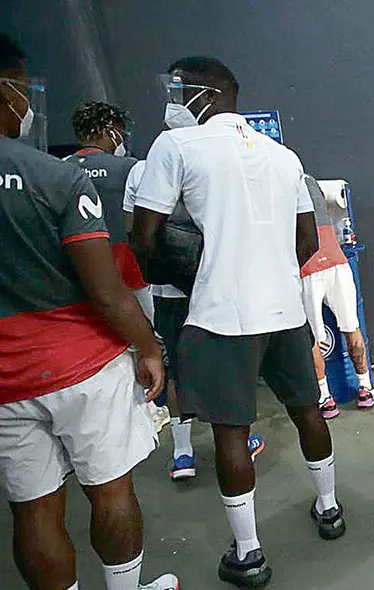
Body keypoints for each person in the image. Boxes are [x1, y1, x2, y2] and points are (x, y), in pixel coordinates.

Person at [131, 56, 344, 588]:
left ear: (206, 94)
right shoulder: (282, 155)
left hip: (221, 314)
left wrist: (192, 277)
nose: (173, 101)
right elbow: (306, 242)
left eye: (178, 90)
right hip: (284, 310)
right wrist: (267, 273)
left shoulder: (175, 146)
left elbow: (145, 238)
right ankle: (330, 507)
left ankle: (248, 555)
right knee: (306, 409)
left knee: (232, 430)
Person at [0, 33, 178, 590]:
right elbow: (105, 291)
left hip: (6, 380)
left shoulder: (64, 167)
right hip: (82, 363)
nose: (27, 104)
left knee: (33, 509)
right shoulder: (53, 176)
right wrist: (148, 347)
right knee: (111, 488)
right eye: (24, 91)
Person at [123, 161, 266, 480]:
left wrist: (157, 273)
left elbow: (135, 233)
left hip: (168, 294)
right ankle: (237, 446)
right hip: (214, 287)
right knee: (230, 367)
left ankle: (182, 454)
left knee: (176, 370)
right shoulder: (218, 162)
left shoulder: (142, 170)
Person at [66, 103, 172, 434]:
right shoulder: (130, 167)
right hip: (130, 271)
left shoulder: (60, 169)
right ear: (107, 130)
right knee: (150, 341)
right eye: (120, 132)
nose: (122, 138)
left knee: (106, 345)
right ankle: (153, 407)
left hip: (81, 273)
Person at [300, 174, 374, 418]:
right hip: (336, 262)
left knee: (313, 339)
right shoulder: (309, 181)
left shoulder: (274, 190)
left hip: (307, 269)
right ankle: (365, 387)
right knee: (351, 326)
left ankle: (325, 398)